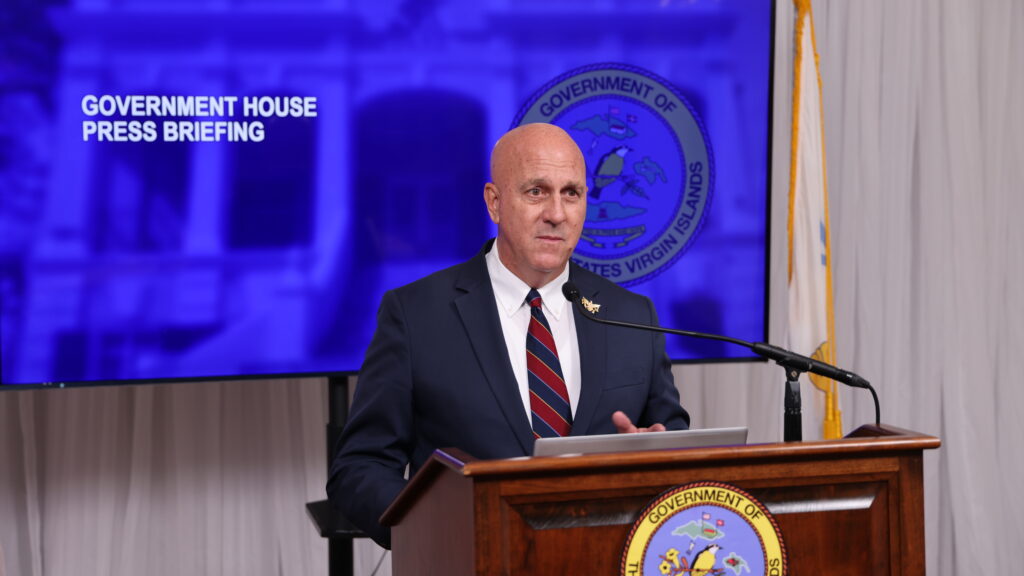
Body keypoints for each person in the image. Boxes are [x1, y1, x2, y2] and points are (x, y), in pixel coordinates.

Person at [327, 123, 689, 548]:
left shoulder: (632, 315)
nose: (557, 213)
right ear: (494, 203)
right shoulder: (415, 315)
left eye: (571, 193)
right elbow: (360, 467)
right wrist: (435, 533)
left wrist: (660, 459)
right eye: (536, 191)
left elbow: (674, 441)